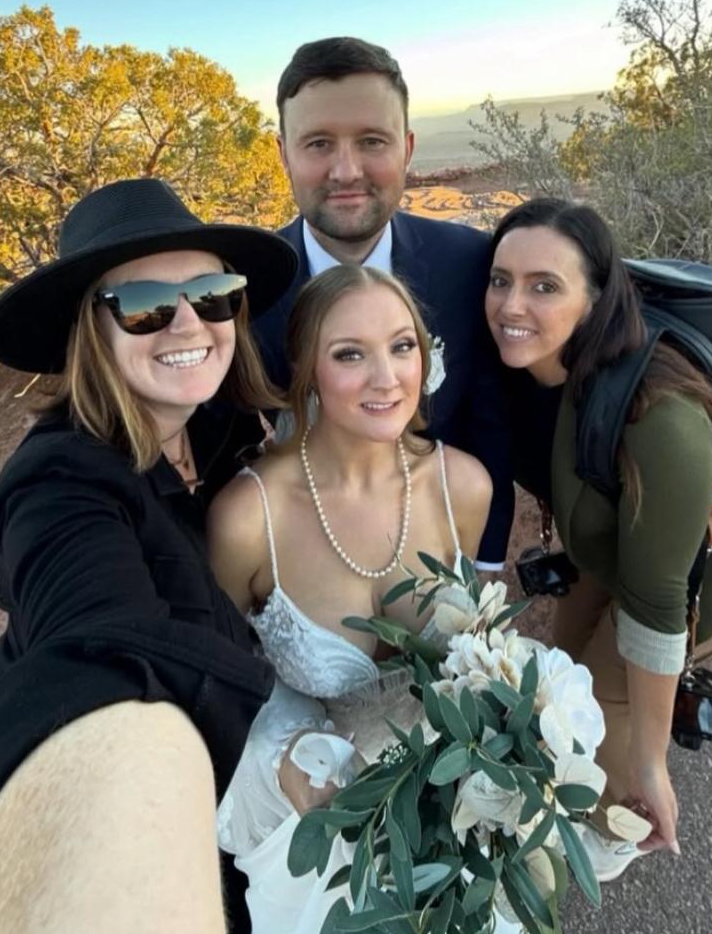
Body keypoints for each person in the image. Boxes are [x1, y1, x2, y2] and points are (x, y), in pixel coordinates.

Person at [0, 178, 298, 933]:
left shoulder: (220, 429)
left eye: (212, 294)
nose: (188, 325)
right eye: (143, 306)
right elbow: (95, 650)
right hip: (192, 812)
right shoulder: (58, 482)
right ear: (92, 332)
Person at [485, 199, 712, 882]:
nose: (511, 304)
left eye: (544, 286)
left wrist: (648, 759)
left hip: (690, 590)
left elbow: (657, 601)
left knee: (590, 735)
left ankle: (582, 853)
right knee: (551, 699)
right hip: (605, 558)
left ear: (594, 300)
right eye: (500, 279)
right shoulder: (543, 371)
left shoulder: (658, 413)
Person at [208, 264, 511, 932]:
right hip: (311, 834)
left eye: (402, 346)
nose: (387, 378)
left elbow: (485, 655)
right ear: (306, 368)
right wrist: (288, 753)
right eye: (350, 354)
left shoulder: (462, 487)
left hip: (453, 816)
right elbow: (222, 681)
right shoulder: (247, 518)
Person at [253, 35, 514, 571]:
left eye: (372, 141)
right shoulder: (248, 288)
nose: (346, 171)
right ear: (283, 154)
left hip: (434, 563)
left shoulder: (467, 265)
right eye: (318, 143)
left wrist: (482, 573)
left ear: (407, 149)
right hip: (288, 564)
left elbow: (490, 422)